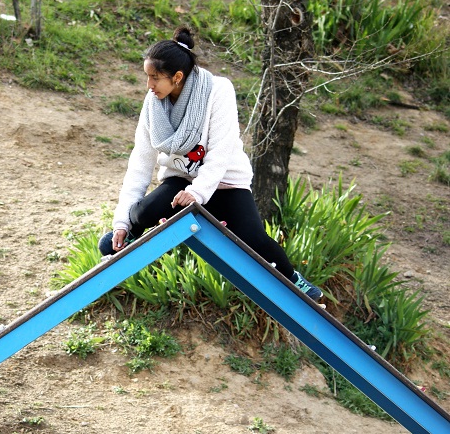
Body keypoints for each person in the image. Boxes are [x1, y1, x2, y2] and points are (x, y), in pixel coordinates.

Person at [99, 27, 323, 301]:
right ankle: (128, 237)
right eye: (147, 77)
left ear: (177, 77)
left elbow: (221, 151)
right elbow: (140, 163)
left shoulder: (218, 90)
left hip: (225, 182)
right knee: (142, 212)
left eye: (155, 78)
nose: (149, 85)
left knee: (252, 240)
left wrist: (197, 193)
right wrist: (122, 222)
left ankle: (293, 279)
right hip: (181, 180)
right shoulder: (153, 105)